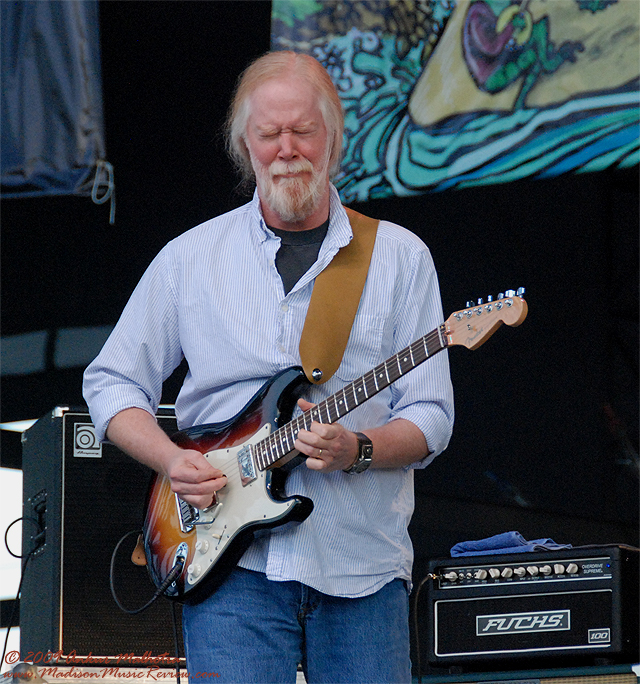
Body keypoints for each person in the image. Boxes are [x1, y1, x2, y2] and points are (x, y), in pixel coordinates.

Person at [83, 51, 454, 683]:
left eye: (304, 130)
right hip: (231, 571)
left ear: (333, 139)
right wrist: (171, 461)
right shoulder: (189, 259)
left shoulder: (399, 258)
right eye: (269, 133)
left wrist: (357, 447)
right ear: (243, 146)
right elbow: (112, 380)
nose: (287, 148)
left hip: (360, 567)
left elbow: (431, 415)